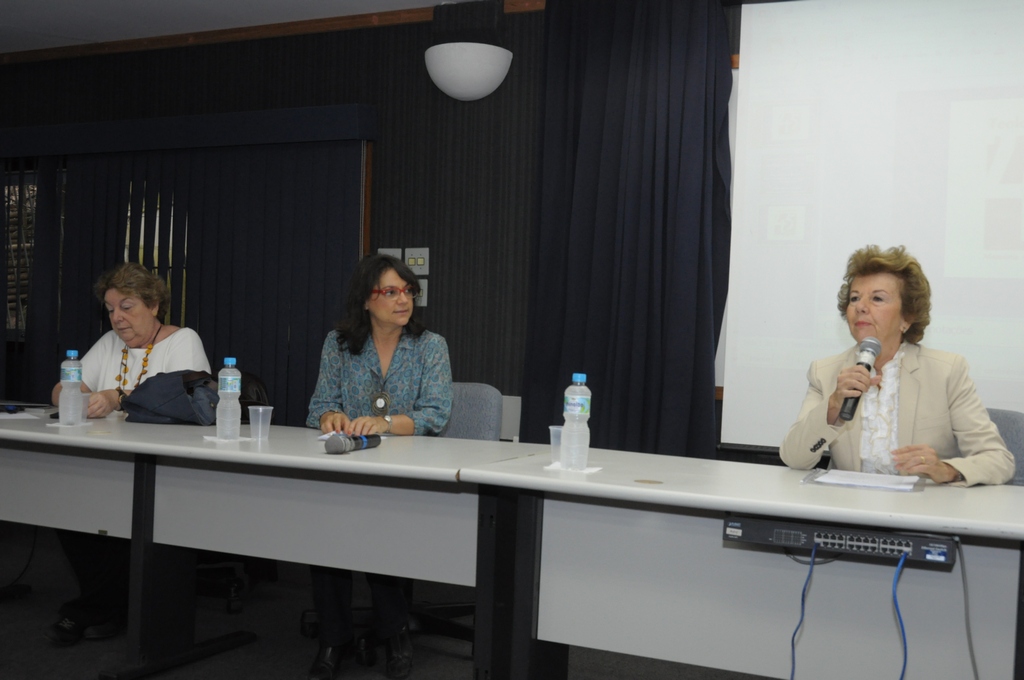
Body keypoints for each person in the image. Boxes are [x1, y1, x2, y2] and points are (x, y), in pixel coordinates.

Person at [45, 262, 211, 646]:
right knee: (63, 508)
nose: (117, 317)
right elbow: (59, 390)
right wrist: (79, 397)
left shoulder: (182, 340)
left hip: (163, 467)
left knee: (114, 516)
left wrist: (115, 397)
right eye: (110, 308)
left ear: (154, 305)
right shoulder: (109, 344)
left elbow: (185, 399)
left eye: (127, 306)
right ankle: (105, 606)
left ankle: (95, 609)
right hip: (106, 460)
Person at [305, 254, 452, 680]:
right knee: (327, 525)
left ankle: (395, 632)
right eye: (390, 291)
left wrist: (387, 424)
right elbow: (319, 405)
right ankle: (334, 637)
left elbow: (436, 414)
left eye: (408, 291)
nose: (403, 299)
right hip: (349, 465)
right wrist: (330, 417)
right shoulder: (338, 344)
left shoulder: (430, 346)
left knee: (382, 523)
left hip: (409, 471)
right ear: (366, 300)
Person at [780, 245, 1014, 486]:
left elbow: (998, 460)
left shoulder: (947, 371)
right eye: (854, 298)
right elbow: (795, 458)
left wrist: (947, 469)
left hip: (921, 515)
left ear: (907, 318)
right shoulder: (825, 372)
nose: (860, 306)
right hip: (849, 513)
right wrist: (832, 406)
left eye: (877, 298)